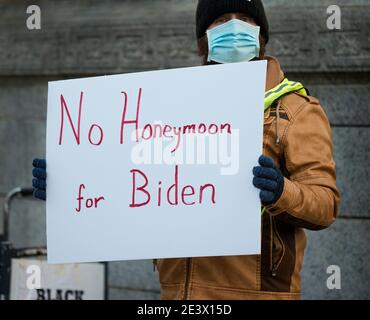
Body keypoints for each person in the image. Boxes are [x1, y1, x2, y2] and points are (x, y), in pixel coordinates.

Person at [32, 0, 340, 300]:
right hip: (178, 294)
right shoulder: (171, 106)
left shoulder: (295, 109)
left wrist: (281, 193)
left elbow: (325, 205)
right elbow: (132, 182)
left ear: (261, 36)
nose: (234, 27)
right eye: (221, 20)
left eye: (245, 19)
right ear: (202, 41)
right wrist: (68, 185)